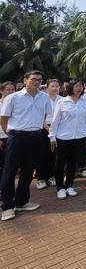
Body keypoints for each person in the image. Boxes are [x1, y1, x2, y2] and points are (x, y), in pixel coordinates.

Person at [1, 71, 51, 221]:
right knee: (10, 171)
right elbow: (3, 118)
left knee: (28, 171)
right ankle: (8, 206)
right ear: (25, 80)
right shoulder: (13, 98)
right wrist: (9, 133)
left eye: (39, 80)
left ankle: (21, 201)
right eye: (33, 79)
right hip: (17, 136)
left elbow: (43, 115)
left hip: (35, 135)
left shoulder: (44, 97)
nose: (36, 82)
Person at [49, 80, 86, 199]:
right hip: (63, 137)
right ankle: (60, 188)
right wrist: (52, 136)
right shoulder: (62, 101)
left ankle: (69, 185)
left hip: (79, 137)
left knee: (73, 163)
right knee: (60, 163)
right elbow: (55, 121)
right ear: (70, 87)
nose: (79, 88)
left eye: (81, 86)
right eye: (76, 86)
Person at [36, 79, 62, 190]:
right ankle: (41, 178)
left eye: (57, 86)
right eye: (52, 86)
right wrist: (49, 129)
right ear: (47, 88)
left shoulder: (62, 100)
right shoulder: (42, 99)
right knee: (42, 153)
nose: (55, 88)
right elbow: (40, 117)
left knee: (54, 154)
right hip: (44, 128)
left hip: (59, 129)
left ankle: (52, 176)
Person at [0, 82, 16, 183]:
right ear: (1, 91)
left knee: (11, 165)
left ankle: (7, 188)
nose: (11, 92)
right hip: (2, 138)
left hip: (13, 137)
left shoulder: (16, 104)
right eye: (8, 89)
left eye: (12, 90)